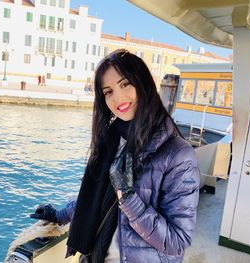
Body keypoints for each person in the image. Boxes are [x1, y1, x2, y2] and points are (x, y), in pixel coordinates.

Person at [30, 49, 200, 263]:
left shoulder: (178, 155)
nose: (117, 97)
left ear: (143, 83)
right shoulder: (112, 139)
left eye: (125, 84)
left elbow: (177, 241)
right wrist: (59, 216)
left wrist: (129, 199)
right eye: (108, 91)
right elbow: (96, 197)